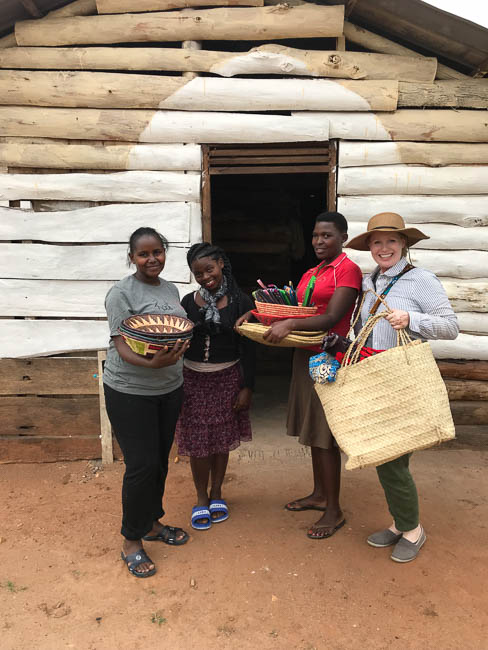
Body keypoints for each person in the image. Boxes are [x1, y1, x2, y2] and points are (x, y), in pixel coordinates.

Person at [238, 211, 362, 540]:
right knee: (312, 428)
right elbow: (294, 307)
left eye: (327, 236)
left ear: (343, 238)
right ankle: (320, 494)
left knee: (324, 434)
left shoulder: (347, 270)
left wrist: (290, 324)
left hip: (328, 357)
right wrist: (257, 313)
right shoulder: (312, 272)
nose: (319, 241)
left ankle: (334, 511)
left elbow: (332, 316)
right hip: (304, 356)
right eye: (316, 236)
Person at [347, 211, 459, 563]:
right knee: (384, 456)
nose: (383, 248)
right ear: (369, 248)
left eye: (391, 241)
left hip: (401, 380)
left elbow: (451, 327)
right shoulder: (370, 282)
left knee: (393, 460)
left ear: (404, 244)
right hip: (373, 377)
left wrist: (414, 319)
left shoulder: (422, 280)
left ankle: (412, 529)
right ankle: (400, 523)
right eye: (376, 242)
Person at [103, 226, 190, 579]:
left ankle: (153, 522)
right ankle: (131, 541)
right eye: (143, 254)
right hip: (129, 389)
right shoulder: (120, 293)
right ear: (131, 257)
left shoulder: (172, 290)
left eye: (158, 252)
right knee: (140, 467)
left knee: (159, 462)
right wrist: (150, 363)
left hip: (169, 388)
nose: (152, 259)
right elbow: (120, 343)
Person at [176, 243, 255, 530]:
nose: (205, 277)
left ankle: (217, 492)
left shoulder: (240, 301)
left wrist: (247, 387)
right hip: (193, 380)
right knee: (198, 441)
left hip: (227, 379)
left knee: (221, 438)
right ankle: (200, 497)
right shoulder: (186, 302)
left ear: (221, 264)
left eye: (209, 269)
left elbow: (250, 349)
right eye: (198, 273)